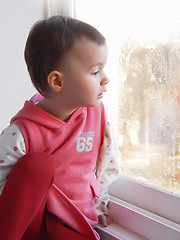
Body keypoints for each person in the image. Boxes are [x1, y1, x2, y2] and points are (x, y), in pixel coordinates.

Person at [0, 16, 120, 240]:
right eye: (95, 72)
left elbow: (107, 163)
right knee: (37, 165)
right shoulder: (22, 131)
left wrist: (101, 203)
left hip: (74, 221)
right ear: (57, 82)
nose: (106, 79)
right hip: (30, 225)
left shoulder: (98, 115)